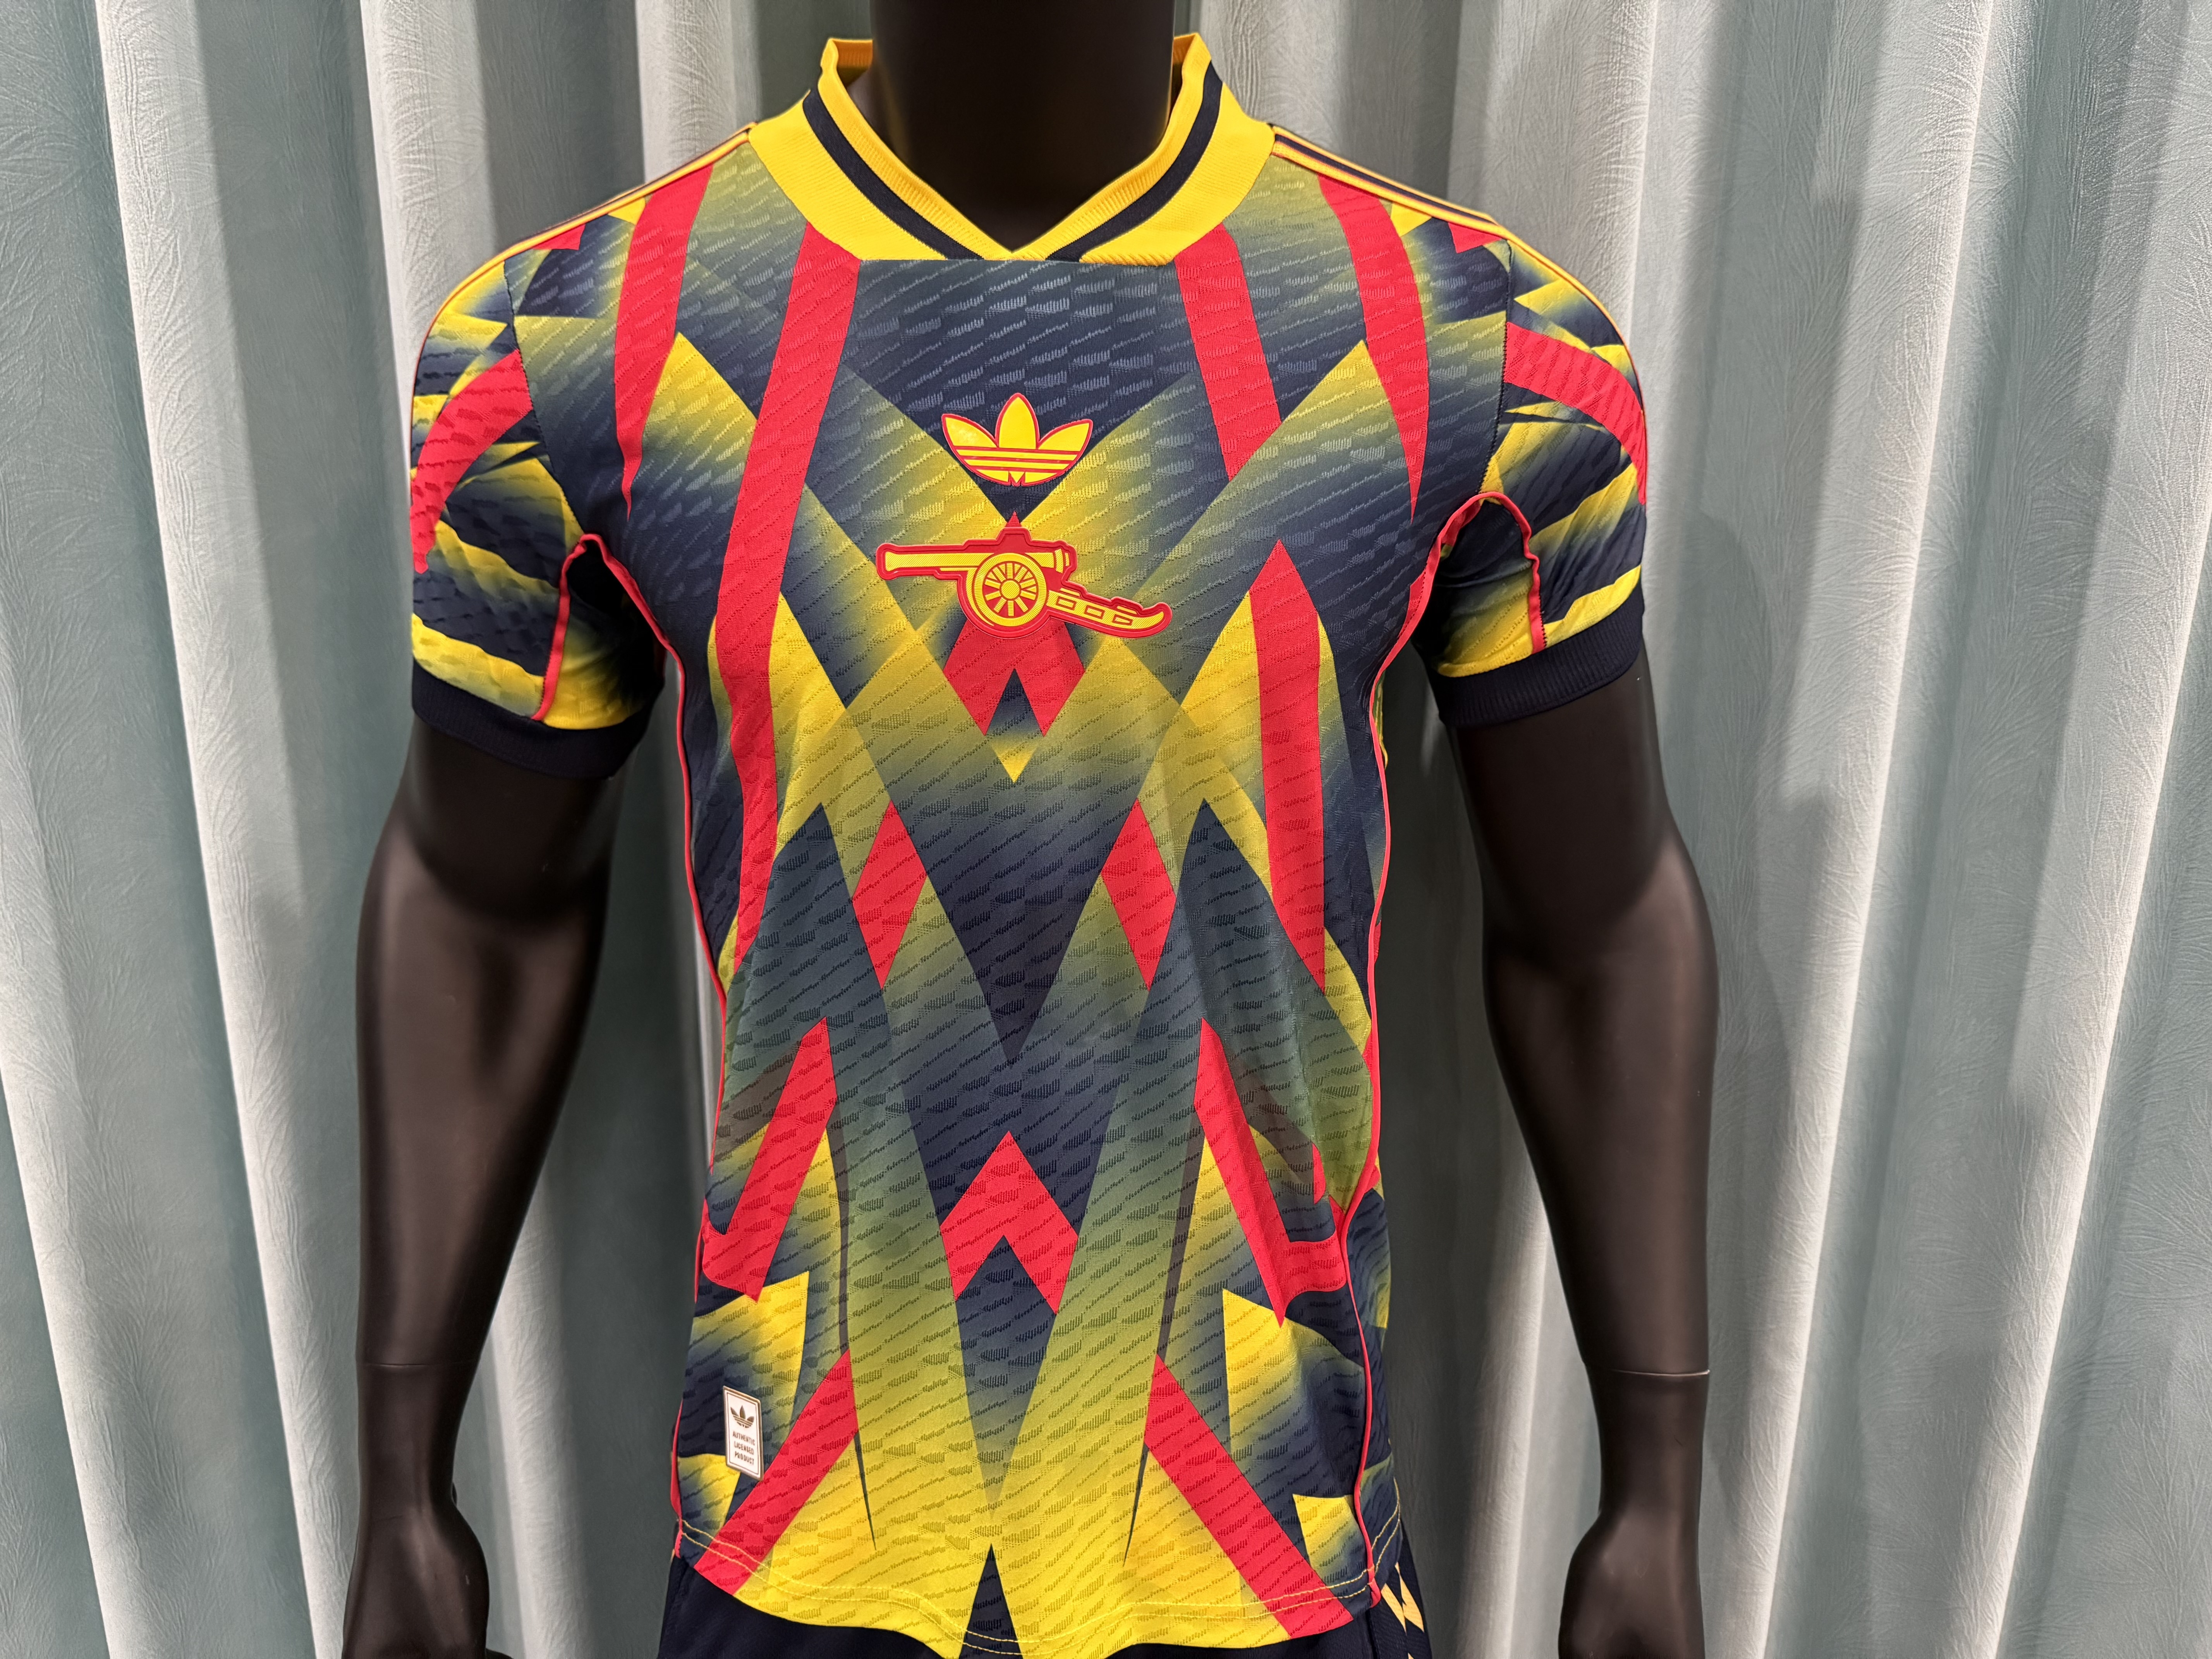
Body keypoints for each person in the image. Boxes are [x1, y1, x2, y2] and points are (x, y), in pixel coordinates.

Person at [344, 6, 1717, 1657]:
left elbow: (1599, 935)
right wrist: (400, 1482)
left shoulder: (1481, 353)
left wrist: (1655, 1491)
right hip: (801, 1543)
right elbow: (478, 907)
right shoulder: (573, 345)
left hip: (1267, 1543)